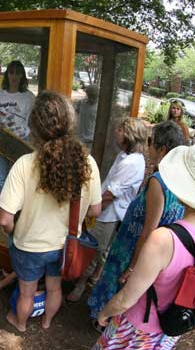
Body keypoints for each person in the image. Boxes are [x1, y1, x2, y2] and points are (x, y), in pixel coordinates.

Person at [93, 142, 195, 349]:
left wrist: (104, 313)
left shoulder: (164, 239)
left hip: (136, 330)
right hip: (172, 327)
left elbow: (126, 298)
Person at [0, 90, 102, 332]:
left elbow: (4, 218)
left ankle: (20, 324)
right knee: (54, 287)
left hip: (29, 245)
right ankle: (47, 322)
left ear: (34, 125)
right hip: (65, 245)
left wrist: (13, 232)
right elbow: (95, 209)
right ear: (70, 122)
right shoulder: (88, 163)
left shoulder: (25, 164)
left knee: (27, 290)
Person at [87, 121, 185, 322]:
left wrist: (132, 266)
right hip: (142, 247)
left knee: (117, 287)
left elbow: (149, 229)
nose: (147, 145)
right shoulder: (177, 179)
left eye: (151, 141)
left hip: (132, 248)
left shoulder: (159, 181)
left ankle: (103, 322)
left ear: (162, 149)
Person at [67, 117, 147, 303]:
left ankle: (81, 285)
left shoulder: (131, 163)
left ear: (129, 135)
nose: (116, 132)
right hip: (107, 212)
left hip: (108, 213)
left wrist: (92, 212)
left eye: (119, 129)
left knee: (94, 248)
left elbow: (111, 195)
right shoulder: (126, 156)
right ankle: (93, 277)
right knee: (101, 248)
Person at [0, 60, 35, 202]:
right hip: (2, 139)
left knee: (18, 178)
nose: (14, 77)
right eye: (11, 73)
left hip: (21, 141)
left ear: (22, 76)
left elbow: (36, 119)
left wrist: (31, 135)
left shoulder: (29, 97)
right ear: (7, 75)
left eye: (18, 73)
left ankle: (14, 210)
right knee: (0, 177)